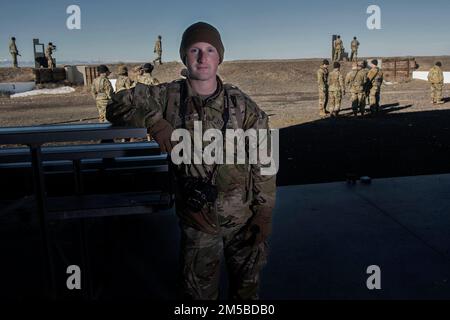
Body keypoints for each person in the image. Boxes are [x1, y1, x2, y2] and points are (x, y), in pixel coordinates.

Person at [106, 21, 276, 300]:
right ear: (184, 56)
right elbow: (116, 105)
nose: (202, 57)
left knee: (247, 293)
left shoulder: (242, 105)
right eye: (194, 50)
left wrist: (264, 213)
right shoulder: (168, 96)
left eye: (210, 50)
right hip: (197, 223)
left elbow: (266, 162)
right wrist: (154, 121)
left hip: (243, 220)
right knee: (197, 297)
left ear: (219, 57)